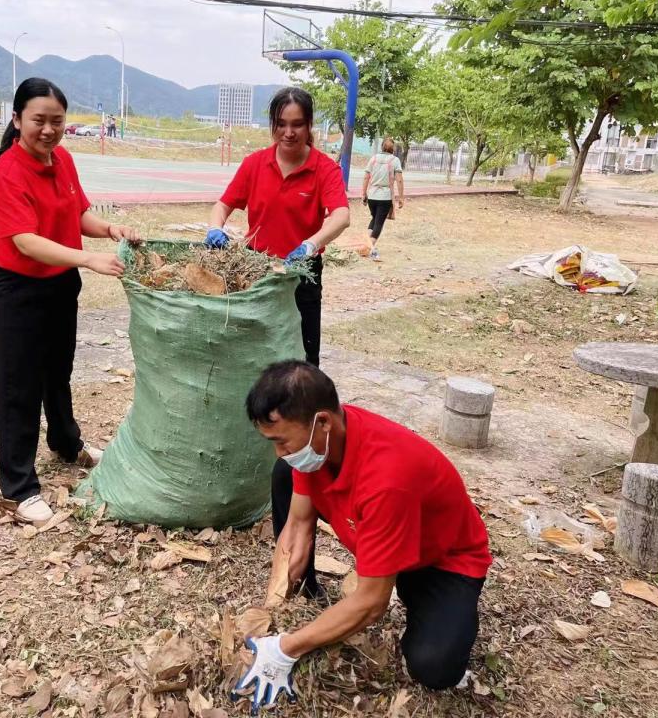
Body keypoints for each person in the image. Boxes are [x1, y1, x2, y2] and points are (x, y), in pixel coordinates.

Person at [235, 361, 491, 711]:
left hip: (440, 558)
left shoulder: (386, 480)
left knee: (434, 666)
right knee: (285, 472)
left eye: (280, 440)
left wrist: (287, 649)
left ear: (322, 422)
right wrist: (274, 615)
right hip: (383, 528)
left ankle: (432, 609)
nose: (278, 450)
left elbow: (372, 604)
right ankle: (308, 593)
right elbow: (296, 529)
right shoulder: (319, 443)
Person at [0, 77, 141, 525]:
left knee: (58, 372)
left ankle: (65, 442)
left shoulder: (64, 161)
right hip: (20, 291)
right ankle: (18, 486)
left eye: (57, 121)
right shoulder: (7, 172)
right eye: (39, 120)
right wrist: (88, 258)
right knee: (19, 387)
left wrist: (109, 230)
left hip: (60, 286)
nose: (49, 129)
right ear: (17, 120)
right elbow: (26, 241)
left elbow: (77, 214)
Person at [205, 87, 350, 367]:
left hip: (301, 273)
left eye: (297, 124)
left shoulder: (324, 169)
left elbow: (341, 216)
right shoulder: (255, 164)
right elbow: (222, 205)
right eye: (281, 124)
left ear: (309, 126)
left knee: (303, 358)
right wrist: (215, 228)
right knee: (254, 351)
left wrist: (311, 244)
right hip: (257, 270)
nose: (289, 132)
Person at [361, 136, 404, 259]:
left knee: (374, 218)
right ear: (393, 149)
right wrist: (401, 197)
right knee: (379, 222)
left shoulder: (373, 159)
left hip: (372, 195)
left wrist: (363, 194)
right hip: (385, 197)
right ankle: (368, 248)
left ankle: (367, 244)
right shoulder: (395, 160)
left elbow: (366, 177)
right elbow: (399, 180)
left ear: (382, 147)